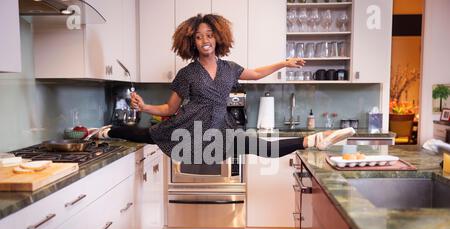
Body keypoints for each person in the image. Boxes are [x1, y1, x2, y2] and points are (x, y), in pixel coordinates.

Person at [98, 14, 355, 163]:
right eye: (199, 36)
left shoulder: (230, 68)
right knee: (146, 134)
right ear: (192, 42)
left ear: (217, 37)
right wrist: (143, 106)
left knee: (261, 147)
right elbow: (169, 108)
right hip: (191, 127)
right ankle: (107, 133)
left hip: (221, 128)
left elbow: (254, 73)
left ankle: (312, 140)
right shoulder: (186, 73)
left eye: (209, 34)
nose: (205, 40)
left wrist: (284, 62)